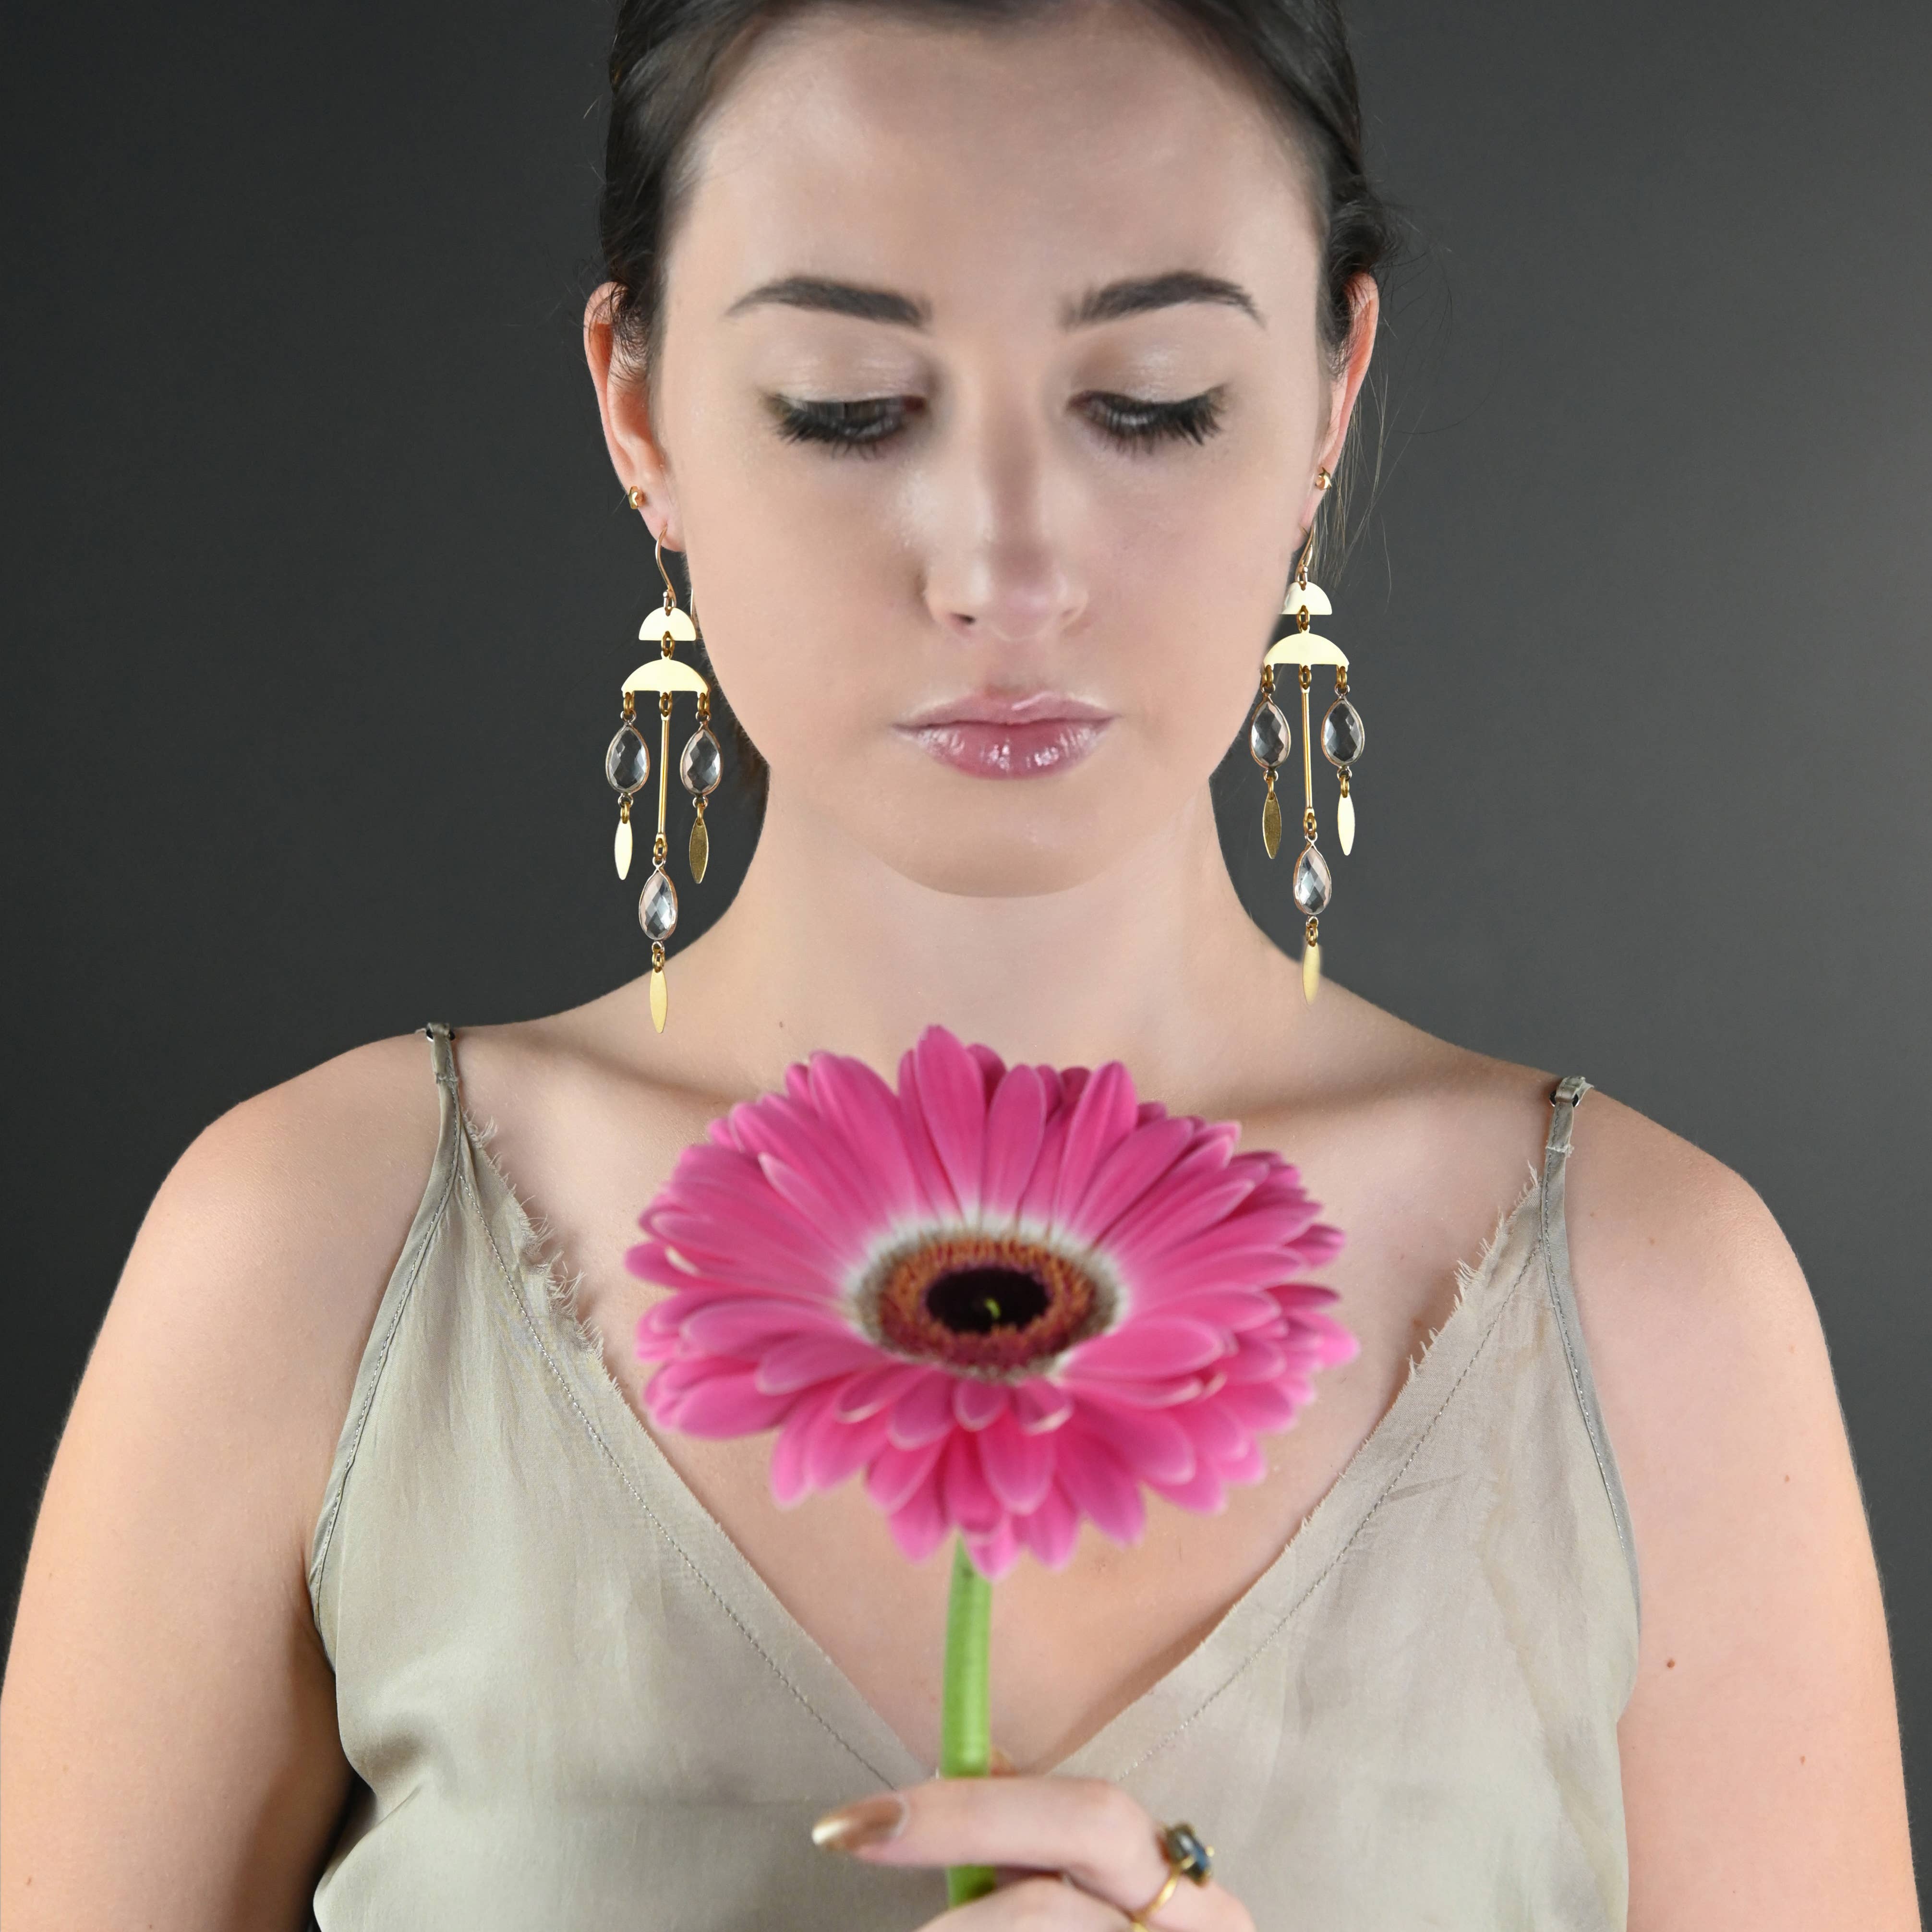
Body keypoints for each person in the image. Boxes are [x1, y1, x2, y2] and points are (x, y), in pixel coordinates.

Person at [1, 0, 1918, 1924]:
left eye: (1151, 402)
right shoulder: (316, 1252)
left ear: (1331, 395)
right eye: (851, 406)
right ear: (641, 412)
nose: (1004, 566)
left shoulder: (1654, 1305)